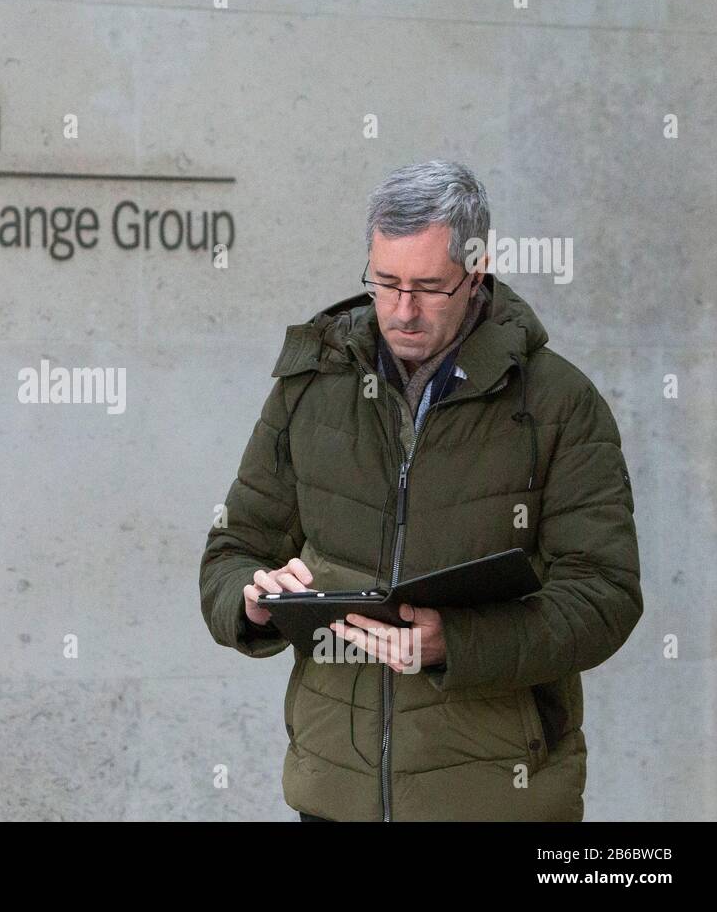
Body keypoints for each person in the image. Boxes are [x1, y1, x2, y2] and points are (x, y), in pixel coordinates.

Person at [199, 160, 642, 821]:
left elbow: (605, 596)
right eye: (386, 283)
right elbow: (232, 549)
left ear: (476, 269)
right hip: (334, 796)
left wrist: (456, 643)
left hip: (496, 800)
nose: (402, 310)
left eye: (430, 287)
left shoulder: (560, 404)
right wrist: (253, 599)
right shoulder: (310, 385)